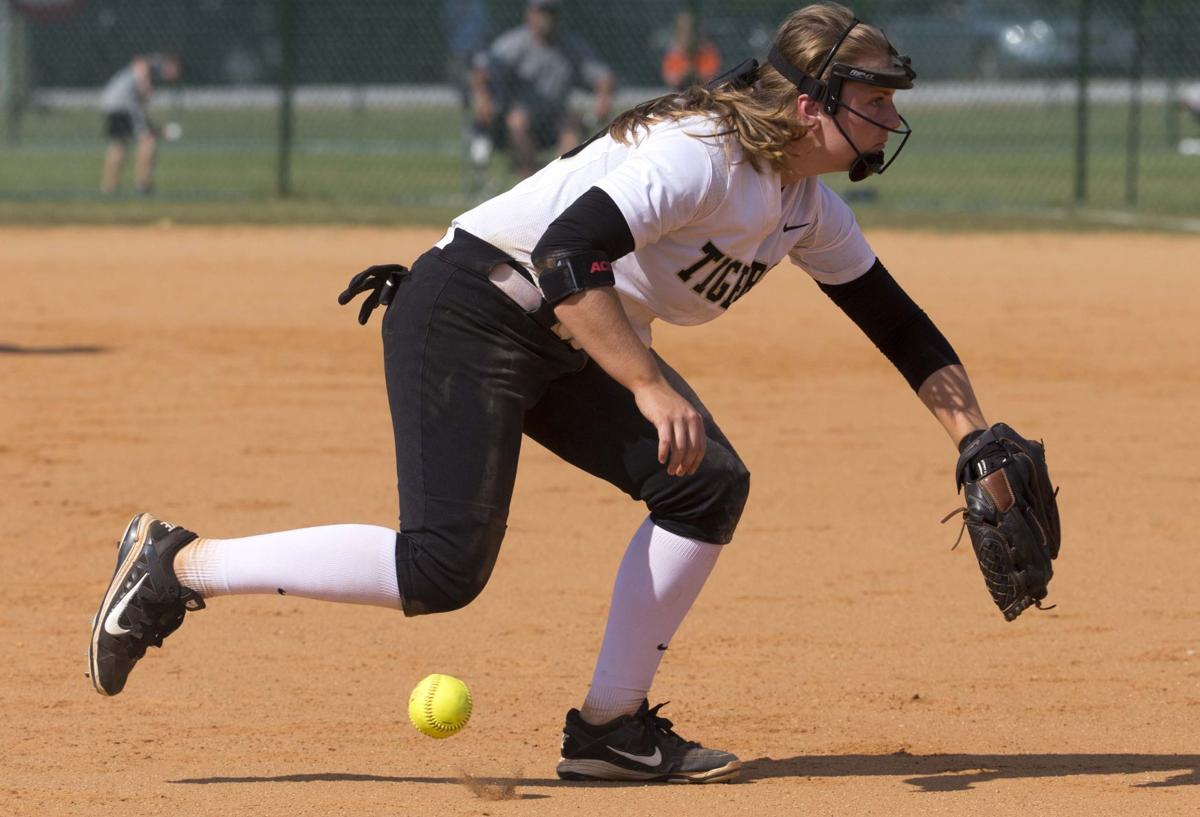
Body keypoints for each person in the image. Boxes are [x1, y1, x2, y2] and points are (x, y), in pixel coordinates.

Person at [88, 3, 1051, 784]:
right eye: (873, 99)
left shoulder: (803, 205)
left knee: (705, 483)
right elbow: (562, 252)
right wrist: (644, 383)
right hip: (474, 307)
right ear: (810, 108)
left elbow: (897, 321)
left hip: (570, 324)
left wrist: (970, 436)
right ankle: (178, 564)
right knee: (442, 568)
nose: (889, 117)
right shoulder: (703, 156)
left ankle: (611, 729)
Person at [469, 0, 615, 178]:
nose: (546, 18)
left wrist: (603, 99)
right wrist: (483, 98)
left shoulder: (570, 46)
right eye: (541, 12)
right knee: (518, 121)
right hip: (516, 117)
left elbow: (602, 76)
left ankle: (564, 182)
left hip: (554, 117)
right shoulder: (513, 43)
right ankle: (529, 180)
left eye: (551, 12)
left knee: (571, 123)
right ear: (529, 14)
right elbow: (482, 72)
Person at [99, 52, 182, 195]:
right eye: (176, 71)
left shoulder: (155, 69)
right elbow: (140, 63)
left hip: (111, 101)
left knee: (119, 145)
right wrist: (146, 88)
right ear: (172, 64)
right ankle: (143, 184)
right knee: (148, 141)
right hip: (125, 102)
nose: (175, 75)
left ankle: (108, 188)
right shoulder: (158, 63)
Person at [660, 10, 722, 91]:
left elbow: (711, 76)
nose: (686, 34)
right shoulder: (674, 52)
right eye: (682, 30)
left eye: (690, 30)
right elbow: (670, 78)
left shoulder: (706, 50)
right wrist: (684, 73)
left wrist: (697, 74)